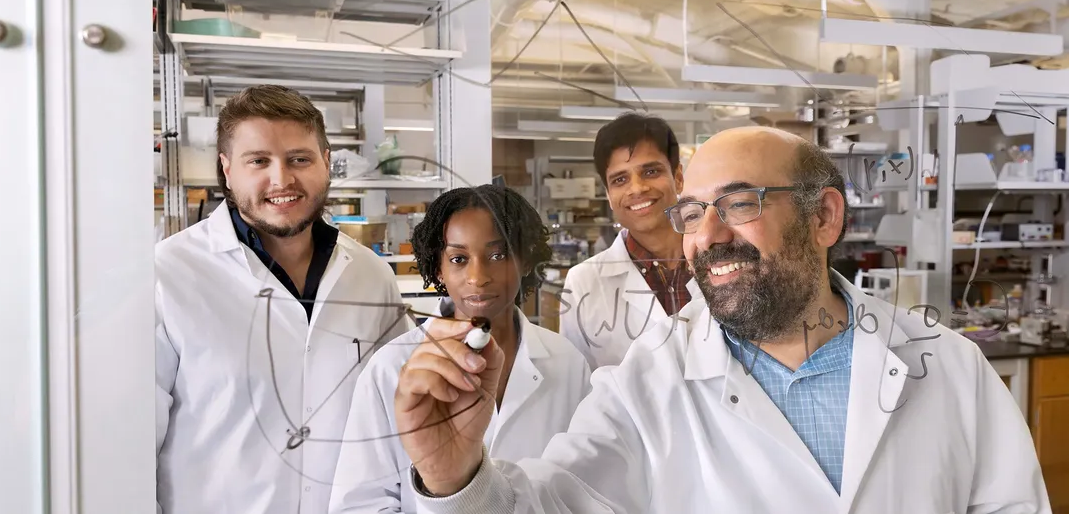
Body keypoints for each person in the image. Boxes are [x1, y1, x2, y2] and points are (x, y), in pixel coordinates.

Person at [392, 126, 1050, 513]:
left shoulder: (948, 368)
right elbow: (551, 503)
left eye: (737, 204)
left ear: (823, 216)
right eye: (691, 211)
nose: (705, 235)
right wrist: (457, 480)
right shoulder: (646, 387)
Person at [155, 85, 411, 514]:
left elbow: (393, 421)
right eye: (258, 161)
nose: (282, 180)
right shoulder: (169, 274)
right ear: (227, 169)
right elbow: (129, 444)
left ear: (326, 163)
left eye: (299, 159)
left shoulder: (371, 276)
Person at [328, 185, 592, 513]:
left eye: (498, 255)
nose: (478, 277)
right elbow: (359, 505)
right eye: (459, 259)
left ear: (525, 261)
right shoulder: (392, 368)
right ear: (438, 269)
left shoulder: (567, 363)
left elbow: (584, 488)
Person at [559, 112, 698, 370]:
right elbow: (580, 386)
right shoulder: (583, 282)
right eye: (620, 179)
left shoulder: (718, 259)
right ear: (609, 195)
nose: (637, 189)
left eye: (651, 171)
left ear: (678, 177)